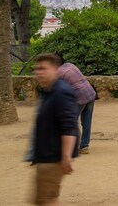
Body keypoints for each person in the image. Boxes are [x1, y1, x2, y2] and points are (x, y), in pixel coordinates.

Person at [29, 52, 79, 205]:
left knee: (45, 200)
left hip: (52, 158)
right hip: (47, 156)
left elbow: (69, 126)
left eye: (43, 68)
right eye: (36, 69)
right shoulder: (50, 91)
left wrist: (66, 156)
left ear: (56, 69)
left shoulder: (61, 92)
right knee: (50, 198)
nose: (39, 73)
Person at [56, 54, 96, 155]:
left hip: (79, 96)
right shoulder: (70, 65)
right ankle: (84, 146)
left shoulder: (58, 73)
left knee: (70, 122)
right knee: (86, 121)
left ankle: (71, 147)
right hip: (90, 93)